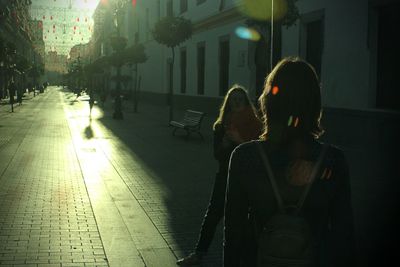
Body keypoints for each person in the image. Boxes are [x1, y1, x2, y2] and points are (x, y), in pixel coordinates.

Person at [223, 57, 356, 266]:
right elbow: (344, 237)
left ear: (268, 102)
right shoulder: (333, 160)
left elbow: (233, 233)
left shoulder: (245, 157)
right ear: (315, 103)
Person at [177, 85, 262, 266]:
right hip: (225, 176)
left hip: (249, 180)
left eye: (241, 99)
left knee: (245, 221)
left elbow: (258, 155)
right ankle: (199, 253)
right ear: (229, 103)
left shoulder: (257, 125)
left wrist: (239, 140)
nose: (237, 102)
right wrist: (224, 144)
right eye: (234, 99)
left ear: (246, 101)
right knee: (213, 215)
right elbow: (217, 155)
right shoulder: (221, 126)